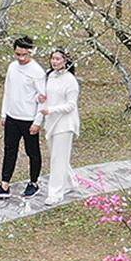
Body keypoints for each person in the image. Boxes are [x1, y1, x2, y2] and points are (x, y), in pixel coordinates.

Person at [0, 35, 47, 198]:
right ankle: (4, 184)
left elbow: (43, 97)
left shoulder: (37, 72)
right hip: (12, 117)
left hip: (29, 118)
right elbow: (7, 91)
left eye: (24, 55)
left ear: (30, 53)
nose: (21, 58)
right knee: (10, 150)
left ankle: (33, 182)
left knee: (32, 152)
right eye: (18, 54)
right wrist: (4, 113)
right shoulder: (12, 67)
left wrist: (38, 121)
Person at [38, 48, 81, 202]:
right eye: (53, 59)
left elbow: (70, 106)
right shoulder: (50, 76)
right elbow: (47, 96)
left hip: (65, 124)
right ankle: (70, 182)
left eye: (58, 59)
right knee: (58, 157)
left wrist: (51, 110)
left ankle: (55, 194)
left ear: (65, 61)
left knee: (57, 159)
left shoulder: (70, 80)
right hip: (51, 123)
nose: (54, 61)